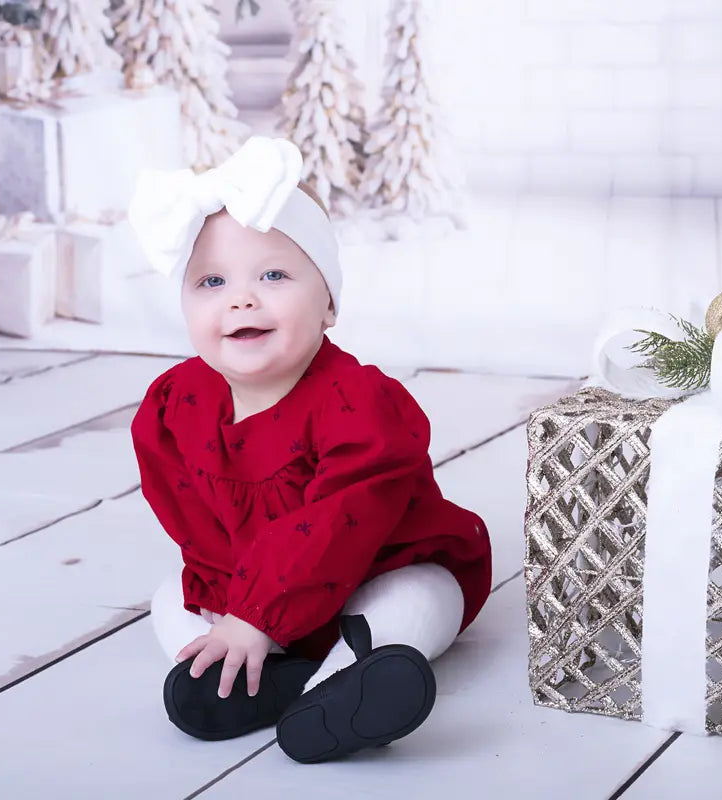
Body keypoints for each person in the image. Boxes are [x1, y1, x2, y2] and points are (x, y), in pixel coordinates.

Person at [127, 137, 492, 764]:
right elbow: (192, 523)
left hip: (375, 567)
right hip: (249, 596)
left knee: (423, 597)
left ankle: (340, 683)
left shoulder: (359, 402)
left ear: (328, 304)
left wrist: (263, 613)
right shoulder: (173, 404)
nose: (241, 298)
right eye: (211, 281)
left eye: (273, 275)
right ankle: (254, 675)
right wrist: (240, 609)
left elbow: (338, 521)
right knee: (170, 597)